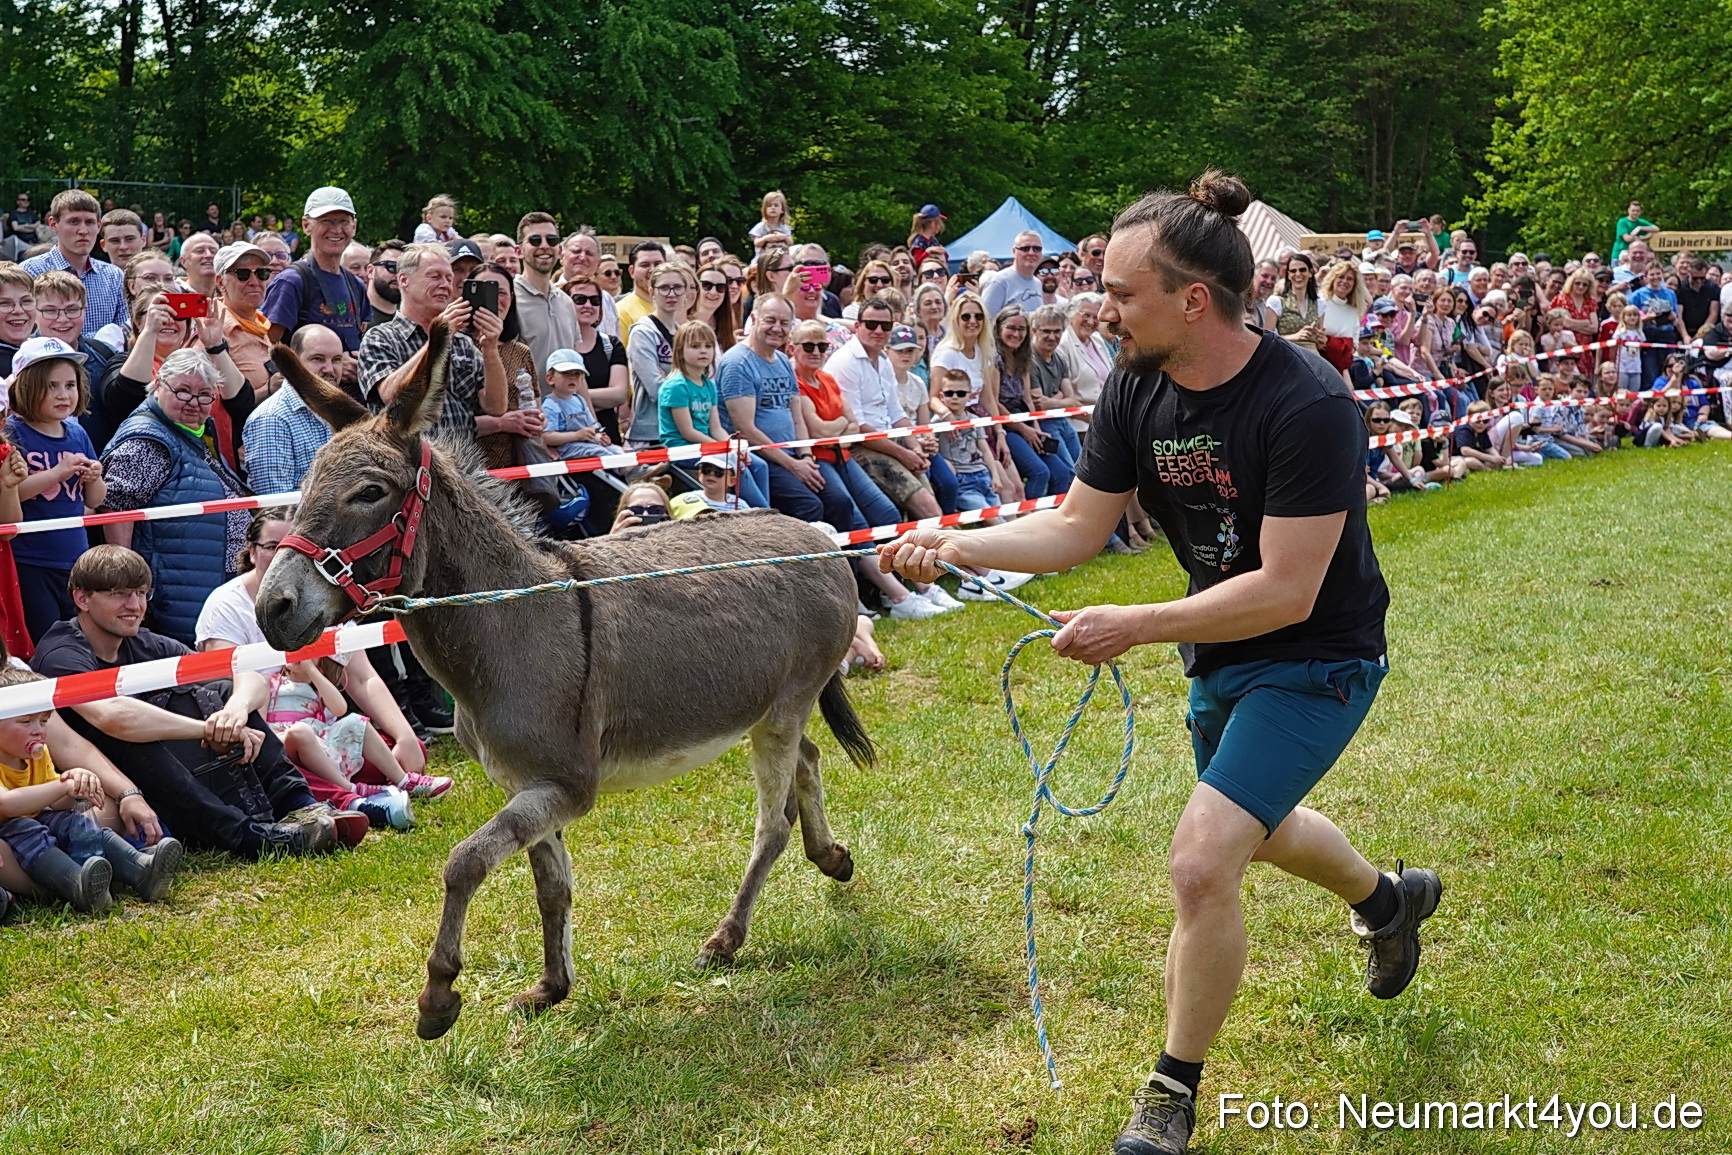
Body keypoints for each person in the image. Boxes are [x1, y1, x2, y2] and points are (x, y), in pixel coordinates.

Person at [881, 171, 1438, 1155]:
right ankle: (1386, 902)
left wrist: (1134, 622)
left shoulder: (1307, 402)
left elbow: (1288, 589)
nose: (1102, 310)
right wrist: (955, 544)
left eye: (1123, 294)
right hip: (1219, 653)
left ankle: (1167, 1097)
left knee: (1200, 858)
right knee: (1253, 835)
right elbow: (1074, 528)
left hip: (1318, 654)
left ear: (1193, 300)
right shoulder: (1137, 385)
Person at [30, 547, 346, 857]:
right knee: (136, 738)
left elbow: (246, 675)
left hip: (147, 768)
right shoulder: (62, 652)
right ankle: (247, 838)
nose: (135, 605)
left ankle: (300, 805)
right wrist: (205, 729)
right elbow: (112, 717)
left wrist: (234, 711)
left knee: (225, 694)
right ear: (82, 599)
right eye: (120, 594)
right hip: (97, 775)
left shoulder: (146, 642)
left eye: (141, 593)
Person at [0, 666, 184, 912]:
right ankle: (78, 885)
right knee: (27, 829)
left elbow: (55, 803)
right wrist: (62, 785)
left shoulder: (38, 753)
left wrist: (76, 792)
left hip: (36, 817)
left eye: (44, 721)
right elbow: (7, 804)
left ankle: (141, 868)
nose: (38, 730)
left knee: (77, 822)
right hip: (9, 830)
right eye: (25, 721)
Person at [97, 348, 251, 643]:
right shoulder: (148, 440)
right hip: (174, 596)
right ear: (158, 386)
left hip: (199, 587)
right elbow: (116, 507)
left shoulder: (192, 431)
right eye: (183, 392)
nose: (194, 402)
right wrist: (128, 583)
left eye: (205, 394)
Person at [4, 338, 105, 640]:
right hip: (30, 560)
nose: (64, 394)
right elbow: (12, 492)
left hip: (75, 557)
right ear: (26, 387)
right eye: (51, 386)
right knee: (45, 638)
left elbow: (96, 499)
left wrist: (95, 477)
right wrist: (57, 473)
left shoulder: (77, 432)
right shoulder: (12, 432)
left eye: (70, 385)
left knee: (78, 637)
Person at [357, 243, 507, 445]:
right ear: (404, 280)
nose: (445, 285)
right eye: (435, 276)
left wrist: (490, 348)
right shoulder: (380, 337)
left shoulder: (462, 342)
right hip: (408, 468)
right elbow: (390, 396)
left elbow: (496, 407)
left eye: (448, 278)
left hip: (460, 468)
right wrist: (438, 339)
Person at [824, 297, 943, 519]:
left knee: (931, 503)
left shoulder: (884, 360)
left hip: (889, 440)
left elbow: (896, 413)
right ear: (857, 326)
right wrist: (904, 453)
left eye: (885, 326)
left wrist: (914, 446)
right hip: (861, 448)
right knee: (928, 508)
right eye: (871, 324)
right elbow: (859, 429)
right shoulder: (846, 362)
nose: (878, 330)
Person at [260, 187, 368, 353]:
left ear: (354, 226)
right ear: (306, 225)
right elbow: (264, 348)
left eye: (343, 221)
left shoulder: (356, 285)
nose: (336, 229)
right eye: (326, 221)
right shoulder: (291, 283)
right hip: (302, 379)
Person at [242, 324, 343, 495]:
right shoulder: (271, 419)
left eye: (336, 360)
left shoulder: (339, 412)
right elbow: (275, 507)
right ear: (293, 361)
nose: (329, 369)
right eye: (318, 359)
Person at [19, 191, 128, 335]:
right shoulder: (29, 272)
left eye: (89, 222)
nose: (83, 231)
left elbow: (124, 334)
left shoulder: (113, 276)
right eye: (74, 222)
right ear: (53, 224)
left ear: (98, 226)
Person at [623, 263, 686, 448]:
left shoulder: (685, 333)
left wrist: (669, 378)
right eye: (664, 288)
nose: (671, 294)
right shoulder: (642, 333)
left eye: (677, 288)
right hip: (651, 434)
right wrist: (685, 384)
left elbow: (703, 384)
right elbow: (657, 390)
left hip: (686, 430)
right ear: (652, 292)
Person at [561, 274, 629, 441]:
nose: (588, 305)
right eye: (579, 299)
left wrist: (571, 399)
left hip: (608, 436)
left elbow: (619, 394)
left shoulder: (611, 345)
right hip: (567, 439)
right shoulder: (557, 344)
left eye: (595, 300)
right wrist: (600, 400)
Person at [513, 213, 578, 389]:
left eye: (551, 240)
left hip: (566, 412)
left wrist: (590, 416)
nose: (544, 246)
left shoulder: (566, 301)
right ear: (518, 251)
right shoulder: (508, 298)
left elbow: (576, 370)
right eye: (534, 240)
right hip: (527, 412)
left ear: (560, 249)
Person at [212, 242, 277, 401]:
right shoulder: (213, 333)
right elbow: (210, 403)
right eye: (242, 274)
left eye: (262, 273)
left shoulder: (260, 324)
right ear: (221, 283)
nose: (255, 281)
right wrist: (267, 389)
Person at [29, 269, 117, 386]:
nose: (63, 319)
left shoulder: (105, 354)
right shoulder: (21, 358)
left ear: (84, 310)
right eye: (50, 310)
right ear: (34, 313)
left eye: (72, 310)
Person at [540, 349, 614, 460]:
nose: (572, 377)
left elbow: (593, 425)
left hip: (588, 444)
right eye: (565, 373)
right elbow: (546, 436)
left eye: (577, 373)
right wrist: (576, 435)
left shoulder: (580, 400)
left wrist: (601, 436)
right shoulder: (550, 404)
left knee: (615, 450)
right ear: (550, 378)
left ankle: (633, 472)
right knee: (600, 452)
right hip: (568, 449)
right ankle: (627, 472)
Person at [1060, 292, 1114, 437]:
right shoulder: (1063, 344)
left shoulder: (1097, 340)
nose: (1090, 322)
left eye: (1095, 317)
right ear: (1071, 314)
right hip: (1081, 425)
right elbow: (1066, 394)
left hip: (1107, 419)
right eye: (1085, 315)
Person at [982, 231, 1046, 318]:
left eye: (1037, 249)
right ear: (1014, 251)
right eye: (1025, 248)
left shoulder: (1037, 283)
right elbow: (986, 320)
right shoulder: (999, 281)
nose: (1031, 253)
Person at [615, 241, 668, 334]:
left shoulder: (676, 306)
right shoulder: (621, 312)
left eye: (658, 264)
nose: (652, 270)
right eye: (645, 265)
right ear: (632, 272)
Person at [366, 240, 404, 326]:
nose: (399, 275)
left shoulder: (412, 324)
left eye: (406, 269)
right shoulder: (353, 319)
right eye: (392, 267)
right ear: (370, 271)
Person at [177, 231, 219, 298]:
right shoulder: (173, 293)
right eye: (199, 251)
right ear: (184, 261)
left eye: (213, 251)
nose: (209, 255)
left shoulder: (230, 293)